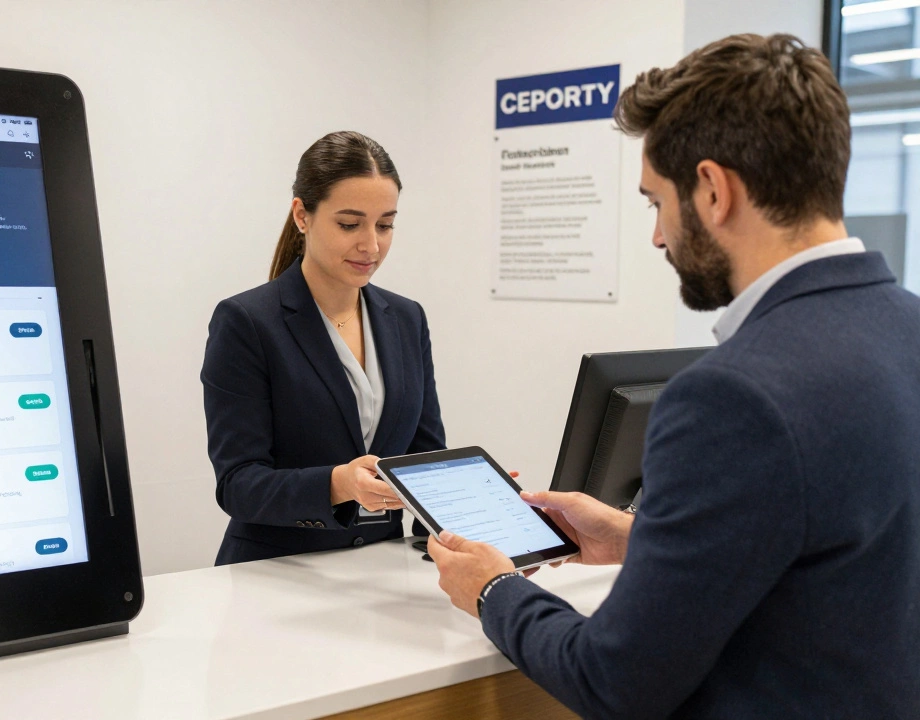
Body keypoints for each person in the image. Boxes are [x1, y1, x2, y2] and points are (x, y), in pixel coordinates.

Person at [429, 34, 920, 718]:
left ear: (714, 191)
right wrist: (646, 541)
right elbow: (847, 553)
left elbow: (615, 680)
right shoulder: (908, 329)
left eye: (656, 202)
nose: (658, 236)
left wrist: (493, 589)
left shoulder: (732, 395)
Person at [202, 131, 445, 565]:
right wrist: (338, 484)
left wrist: (479, 503)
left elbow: (424, 459)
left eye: (385, 224)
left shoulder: (407, 319)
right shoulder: (247, 322)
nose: (371, 245)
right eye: (349, 224)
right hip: (276, 572)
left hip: (381, 569)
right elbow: (237, 485)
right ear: (302, 215)